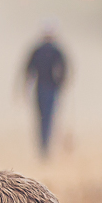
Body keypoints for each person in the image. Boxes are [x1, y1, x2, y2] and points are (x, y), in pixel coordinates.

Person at [18, 24, 69, 158]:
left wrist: (25, 88)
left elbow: (28, 71)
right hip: (51, 89)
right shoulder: (56, 50)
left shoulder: (37, 50)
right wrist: (61, 84)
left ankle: (43, 147)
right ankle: (45, 147)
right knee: (48, 118)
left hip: (40, 88)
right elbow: (64, 69)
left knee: (40, 118)